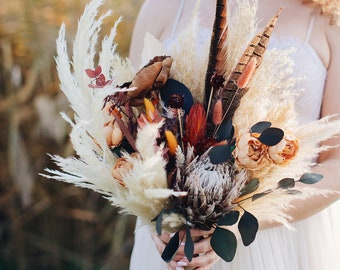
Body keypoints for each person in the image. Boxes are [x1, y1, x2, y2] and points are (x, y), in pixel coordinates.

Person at [128, 0, 340, 269]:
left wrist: (242, 220)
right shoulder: (162, 7)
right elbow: (129, 124)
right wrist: (152, 212)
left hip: (284, 238)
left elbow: (337, 163)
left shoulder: (330, 17)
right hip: (174, 239)